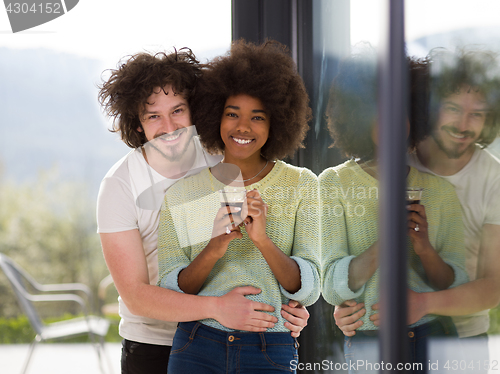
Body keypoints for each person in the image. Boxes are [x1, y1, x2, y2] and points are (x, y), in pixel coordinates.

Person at [96, 49, 309, 374]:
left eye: (178, 111)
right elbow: (136, 296)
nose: (169, 127)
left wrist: (293, 306)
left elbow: (263, 245)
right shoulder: (120, 185)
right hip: (152, 344)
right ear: (137, 124)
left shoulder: (221, 156)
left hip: (234, 337)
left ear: (195, 110)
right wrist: (217, 308)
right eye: (153, 116)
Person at [156, 40, 321, 373]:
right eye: (232, 114)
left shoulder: (303, 185)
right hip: (196, 343)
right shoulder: (183, 194)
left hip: (270, 346)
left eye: (257, 117)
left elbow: (310, 286)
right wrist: (215, 248)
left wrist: (263, 240)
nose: (243, 127)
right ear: (216, 115)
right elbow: (174, 289)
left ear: (276, 122)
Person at [334, 49, 500, 373]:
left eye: (478, 113)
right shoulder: (391, 156)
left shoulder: (494, 178)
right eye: (452, 108)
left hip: (462, 341)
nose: (463, 125)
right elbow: (348, 255)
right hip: (382, 333)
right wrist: (342, 307)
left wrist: (423, 303)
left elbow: (493, 286)